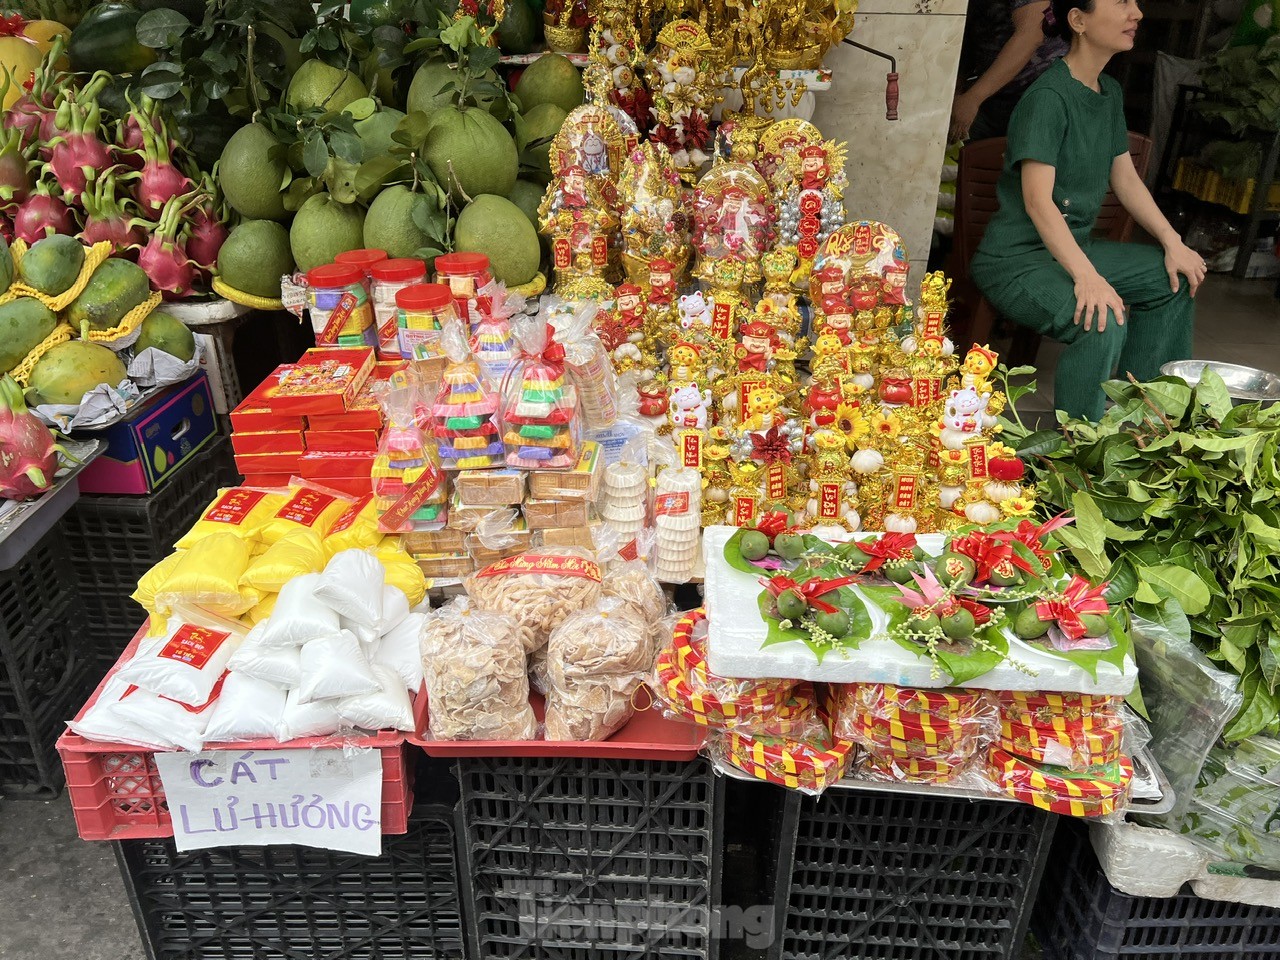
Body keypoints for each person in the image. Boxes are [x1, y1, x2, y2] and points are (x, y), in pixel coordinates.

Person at [968, 0, 1204, 420]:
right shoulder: (1046, 97)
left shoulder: (1107, 91)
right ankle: (1079, 444)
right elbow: (1038, 201)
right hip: (1017, 261)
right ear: (1078, 20)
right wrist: (1087, 277)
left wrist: (1173, 241)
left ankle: (1148, 419)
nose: (1137, 14)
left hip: (1072, 248)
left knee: (1174, 279)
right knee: (1101, 318)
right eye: (1121, 3)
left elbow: (1126, 180)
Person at [951, 0, 1069, 142]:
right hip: (989, 92)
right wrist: (957, 93)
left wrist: (972, 98)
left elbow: (1030, 35)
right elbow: (966, 38)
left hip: (1039, 90)